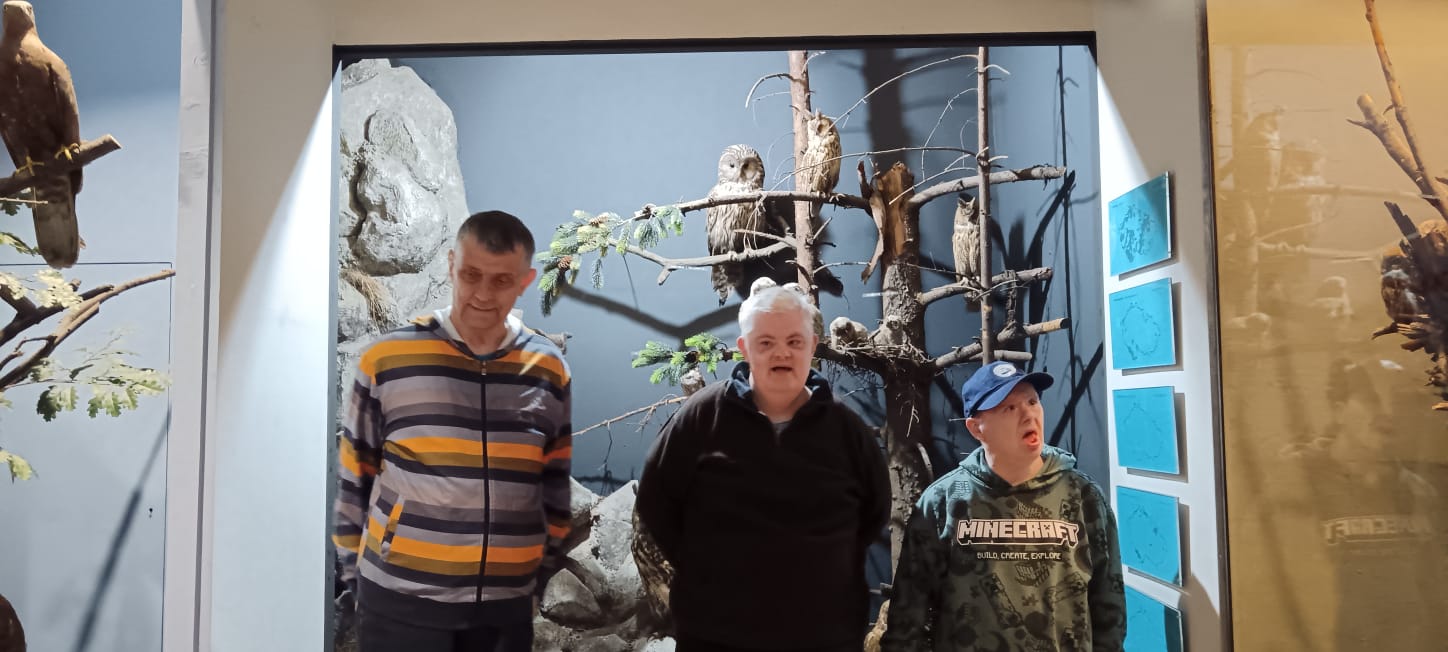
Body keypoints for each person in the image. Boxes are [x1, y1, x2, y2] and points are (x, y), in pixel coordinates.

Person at [332, 210, 572, 652]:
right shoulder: (387, 360)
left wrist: (534, 576)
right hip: (399, 606)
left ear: (526, 281)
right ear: (451, 265)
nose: (482, 294)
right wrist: (355, 579)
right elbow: (354, 479)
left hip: (504, 613)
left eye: (501, 280)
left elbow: (554, 485)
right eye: (471, 275)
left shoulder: (548, 369)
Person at [635, 284, 891, 651]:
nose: (781, 353)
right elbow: (655, 502)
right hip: (715, 635)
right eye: (766, 342)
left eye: (794, 341)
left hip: (822, 636)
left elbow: (874, 512)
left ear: (812, 346)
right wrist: (706, 572)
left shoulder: (846, 429)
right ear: (744, 348)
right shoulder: (702, 415)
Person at [881, 361, 1125, 651]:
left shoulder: (1084, 496)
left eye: (1032, 401)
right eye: (1009, 408)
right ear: (976, 428)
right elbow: (907, 618)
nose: (1028, 415)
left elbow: (1109, 608)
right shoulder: (943, 502)